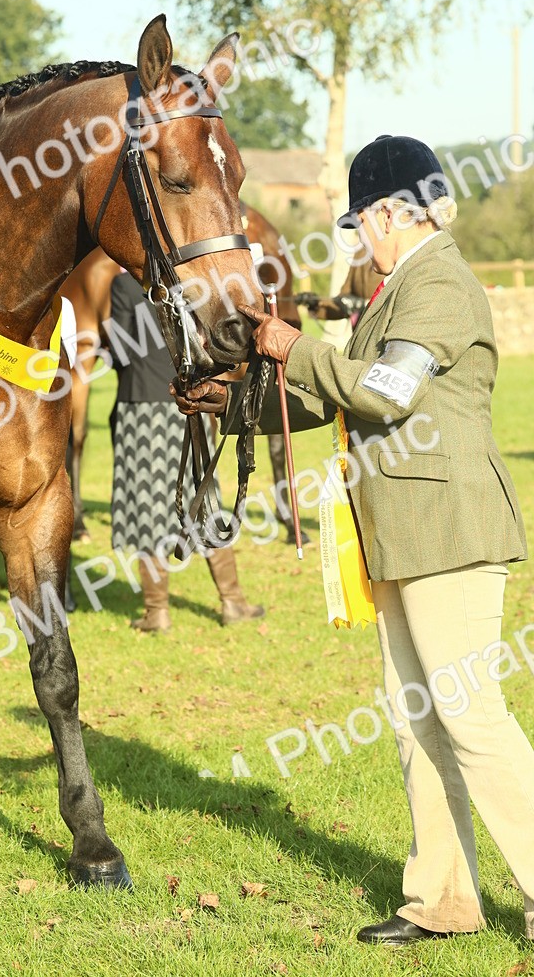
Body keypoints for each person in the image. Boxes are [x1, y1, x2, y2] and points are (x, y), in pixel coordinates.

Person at [174, 134, 531, 946]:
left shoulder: (438, 282)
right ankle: (443, 900)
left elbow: (388, 393)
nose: (359, 240)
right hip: (401, 532)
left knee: (471, 718)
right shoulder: (397, 287)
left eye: (361, 223)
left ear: (391, 214)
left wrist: (291, 344)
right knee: (417, 721)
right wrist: (229, 403)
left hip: (449, 529)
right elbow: (341, 397)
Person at [109, 269, 264, 631]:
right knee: (204, 501)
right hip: (187, 403)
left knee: (147, 508)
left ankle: (157, 611)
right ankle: (232, 602)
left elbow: (120, 351)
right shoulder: (188, 284)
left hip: (141, 408)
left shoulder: (124, 284)